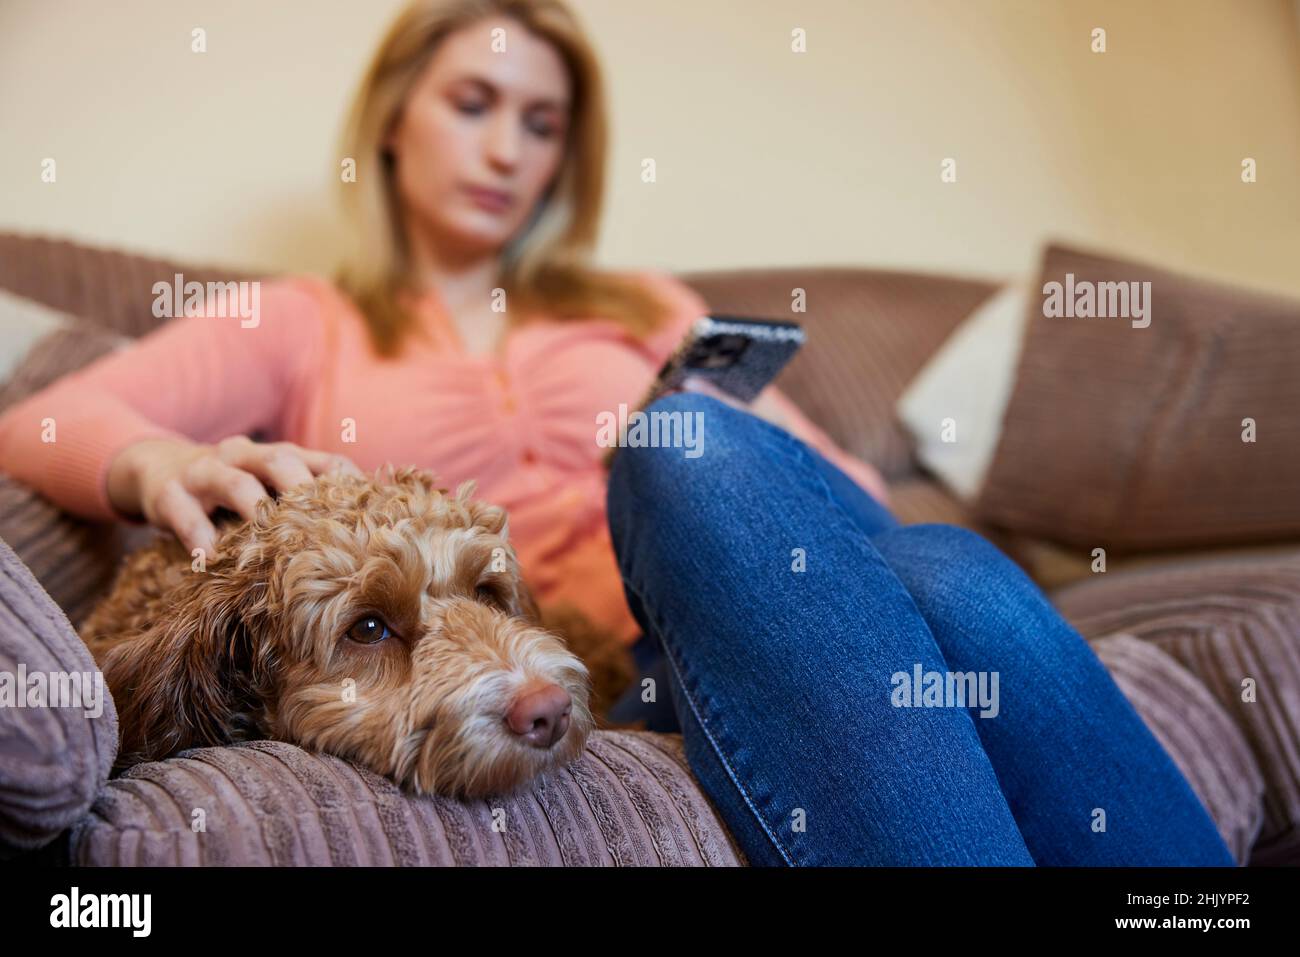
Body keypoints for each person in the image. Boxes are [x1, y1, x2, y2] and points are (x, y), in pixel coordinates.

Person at [0, 0, 1231, 866]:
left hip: (779, 586)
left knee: (767, 485)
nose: (505, 149)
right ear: (392, 119)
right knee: (917, 557)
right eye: (473, 103)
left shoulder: (641, 303)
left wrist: (704, 437)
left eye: (540, 124)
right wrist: (154, 458)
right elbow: (38, 420)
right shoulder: (301, 323)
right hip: (642, 663)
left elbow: (846, 487)